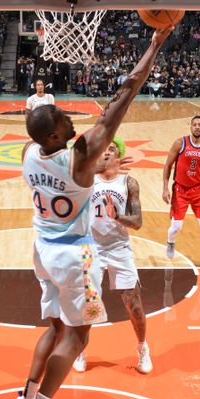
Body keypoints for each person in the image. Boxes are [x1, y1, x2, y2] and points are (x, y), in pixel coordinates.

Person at [9, 26, 173, 399]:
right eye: (63, 120)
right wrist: (155, 44)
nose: (70, 118)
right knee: (78, 339)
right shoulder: (80, 159)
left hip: (42, 249)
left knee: (56, 327)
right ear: (54, 137)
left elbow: (80, 132)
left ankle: (23, 396)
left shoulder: (30, 155)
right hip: (74, 256)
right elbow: (122, 97)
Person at [73, 137, 151, 374]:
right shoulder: (88, 180)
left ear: (120, 154)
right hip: (92, 248)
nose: (107, 152)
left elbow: (137, 222)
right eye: (104, 149)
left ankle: (142, 347)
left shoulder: (129, 183)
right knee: (89, 304)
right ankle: (80, 349)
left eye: (112, 149)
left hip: (119, 248)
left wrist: (117, 215)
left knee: (134, 305)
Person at [162, 115, 200, 272]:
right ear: (191, 127)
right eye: (194, 124)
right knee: (176, 227)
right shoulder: (180, 143)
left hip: (198, 190)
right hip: (180, 190)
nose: (197, 127)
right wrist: (165, 188)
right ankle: (171, 242)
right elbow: (167, 166)